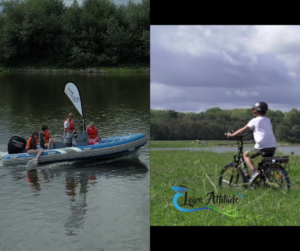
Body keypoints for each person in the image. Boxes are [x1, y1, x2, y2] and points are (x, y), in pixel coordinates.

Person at [227, 102, 276, 183]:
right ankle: (267, 181)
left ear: (255, 111)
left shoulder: (254, 120)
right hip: (272, 145)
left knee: (245, 155)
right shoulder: (268, 120)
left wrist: (232, 135)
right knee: (265, 166)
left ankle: (254, 172)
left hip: (262, 145)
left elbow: (242, 130)